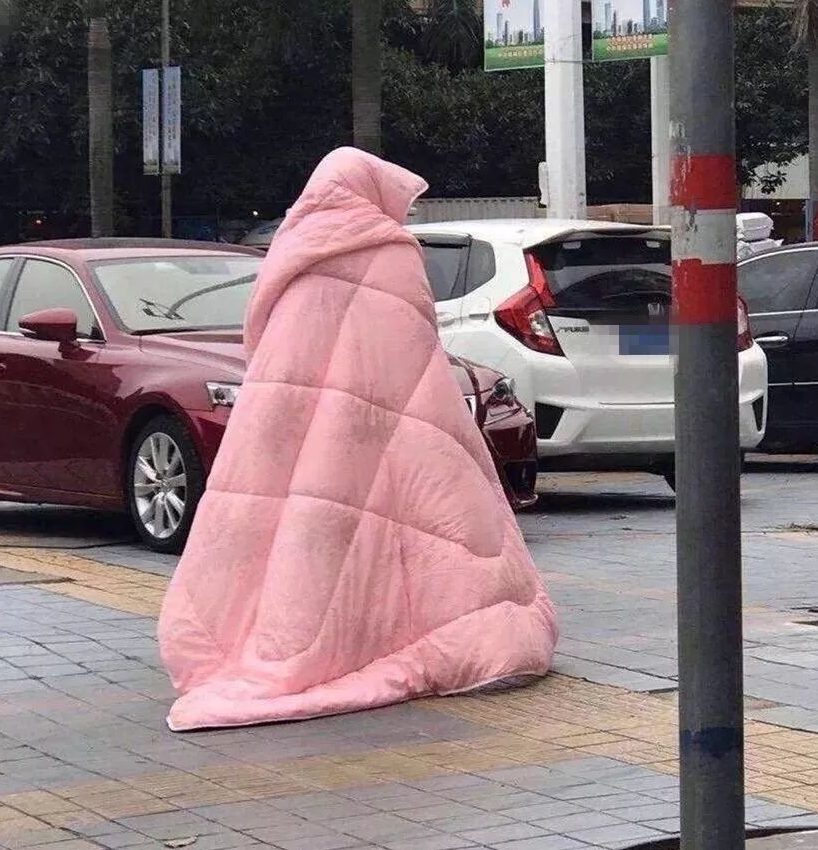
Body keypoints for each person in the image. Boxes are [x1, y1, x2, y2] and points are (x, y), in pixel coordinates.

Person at [158, 147, 557, 731]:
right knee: (422, 529)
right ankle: (391, 632)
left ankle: (301, 637)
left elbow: (264, 339)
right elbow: (413, 343)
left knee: (313, 537)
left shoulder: (291, 251)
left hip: (297, 422)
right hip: (389, 416)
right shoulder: (391, 251)